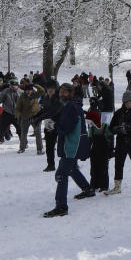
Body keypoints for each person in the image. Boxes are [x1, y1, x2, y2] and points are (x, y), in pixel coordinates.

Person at [44, 84, 94, 218]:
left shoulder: (71, 106)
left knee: (61, 174)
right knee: (71, 169)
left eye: (65, 92)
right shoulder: (71, 105)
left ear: (71, 93)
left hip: (72, 145)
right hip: (73, 144)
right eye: (60, 91)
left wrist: (54, 125)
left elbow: (66, 127)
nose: (61, 94)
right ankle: (87, 189)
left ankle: (61, 207)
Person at [86, 109, 112, 193]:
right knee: (93, 168)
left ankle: (104, 185)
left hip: (104, 150)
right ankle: (94, 184)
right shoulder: (92, 127)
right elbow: (89, 139)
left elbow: (110, 138)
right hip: (94, 150)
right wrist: (87, 150)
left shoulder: (105, 126)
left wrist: (111, 150)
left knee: (104, 167)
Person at [15, 82, 42, 154]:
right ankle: (22, 148)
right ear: (25, 91)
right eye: (27, 90)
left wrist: (35, 84)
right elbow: (18, 107)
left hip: (35, 117)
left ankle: (39, 149)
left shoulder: (35, 94)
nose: (29, 91)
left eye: (30, 90)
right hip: (25, 117)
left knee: (38, 133)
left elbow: (42, 91)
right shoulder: (22, 96)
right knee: (23, 133)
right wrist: (18, 115)